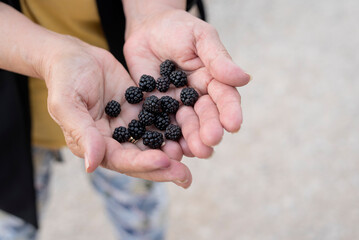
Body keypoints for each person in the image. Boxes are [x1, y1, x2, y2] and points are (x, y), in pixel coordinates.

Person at [0, 0, 250, 239]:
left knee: (138, 204)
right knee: (13, 216)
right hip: (13, 119)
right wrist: (50, 56)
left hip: (117, 92)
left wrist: (155, 10)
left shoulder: (135, 105)